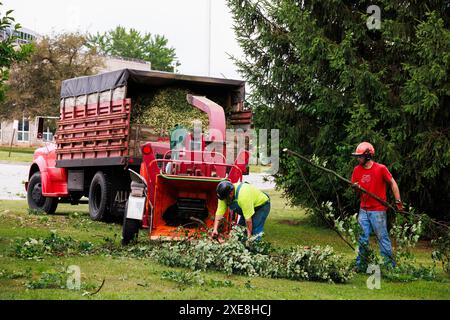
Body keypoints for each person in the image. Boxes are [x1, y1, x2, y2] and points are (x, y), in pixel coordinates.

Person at [351, 142, 403, 270]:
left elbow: (392, 183)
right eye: (357, 156)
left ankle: (388, 266)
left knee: (382, 237)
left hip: (378, 210)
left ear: (368, 155)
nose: (358, 158)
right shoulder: (357, 170)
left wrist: (398, 201)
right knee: (362, 237)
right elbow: (355, 192)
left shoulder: (380, 168)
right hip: (364, 209)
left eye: (360, 156)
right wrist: (356, 188)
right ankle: (361, 265)